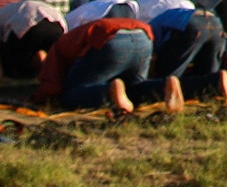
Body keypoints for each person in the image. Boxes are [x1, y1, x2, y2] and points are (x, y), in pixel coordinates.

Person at [37, 15, 182, 114]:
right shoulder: (72, 35)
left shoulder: (55, 50)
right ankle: (164, 86)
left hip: (110, 39)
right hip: (142, 35)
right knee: (134, 87)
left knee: (71, 94)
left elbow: (52, 85)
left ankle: (109, 91)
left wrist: (40, 98)